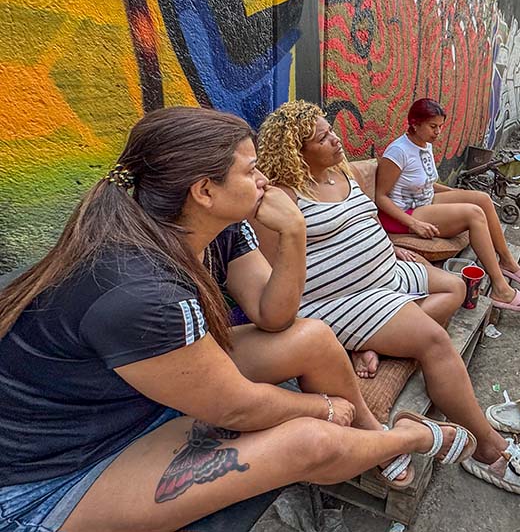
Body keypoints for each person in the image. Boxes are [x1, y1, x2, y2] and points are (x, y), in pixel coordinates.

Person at [0, 107, 477, 532]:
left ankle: (375, 438)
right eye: (251, 171)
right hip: (52, 474)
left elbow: (274, 317)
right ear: (205, 190)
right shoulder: (138, 290)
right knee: (310, 443)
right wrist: (322, 409)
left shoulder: (218, 229)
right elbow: (236, 409)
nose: (265, 179)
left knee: (313, 337)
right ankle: (410, 435)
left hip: (133, 398)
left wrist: (293, 232)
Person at [254, 100, 520, 495]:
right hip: (342, 298)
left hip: (385, 273)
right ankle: (488, 448)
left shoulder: (340, 172)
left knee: (456, 286)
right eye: (323, 137)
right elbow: (282, 273)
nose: (336, 138)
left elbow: (364, 219)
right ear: (296, 150)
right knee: (434, 340)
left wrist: (390, 246)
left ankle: (375, 344)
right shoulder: (279, 198)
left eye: (331, 129)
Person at [373, 98, 520, 312]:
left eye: (441, 126)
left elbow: (429, 184)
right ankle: (500, 288)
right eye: (433, 126)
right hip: (404, 214)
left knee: (481, 198)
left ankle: (507, 262)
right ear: (414, 123)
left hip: (424, 201)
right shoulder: (398, 151)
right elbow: (380, 196)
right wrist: (413, 223)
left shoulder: (424, 144)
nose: (438, 132)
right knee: (473, 214)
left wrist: (459, 194)